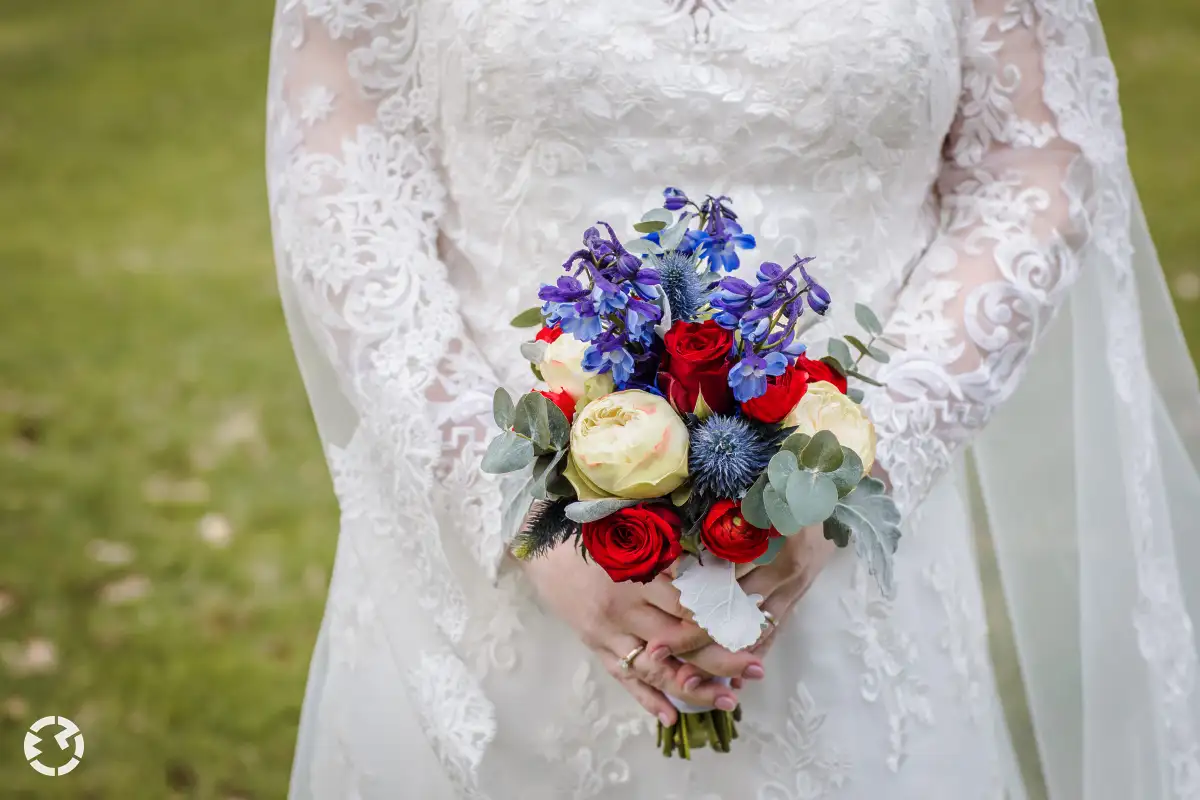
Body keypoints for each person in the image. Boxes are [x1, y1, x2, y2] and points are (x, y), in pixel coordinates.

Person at [266, 0, 1200, 797]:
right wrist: (510, 505)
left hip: (842, 567)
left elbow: (1032, 166)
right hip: (497, 566)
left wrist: (850, 468)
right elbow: (341, 177)